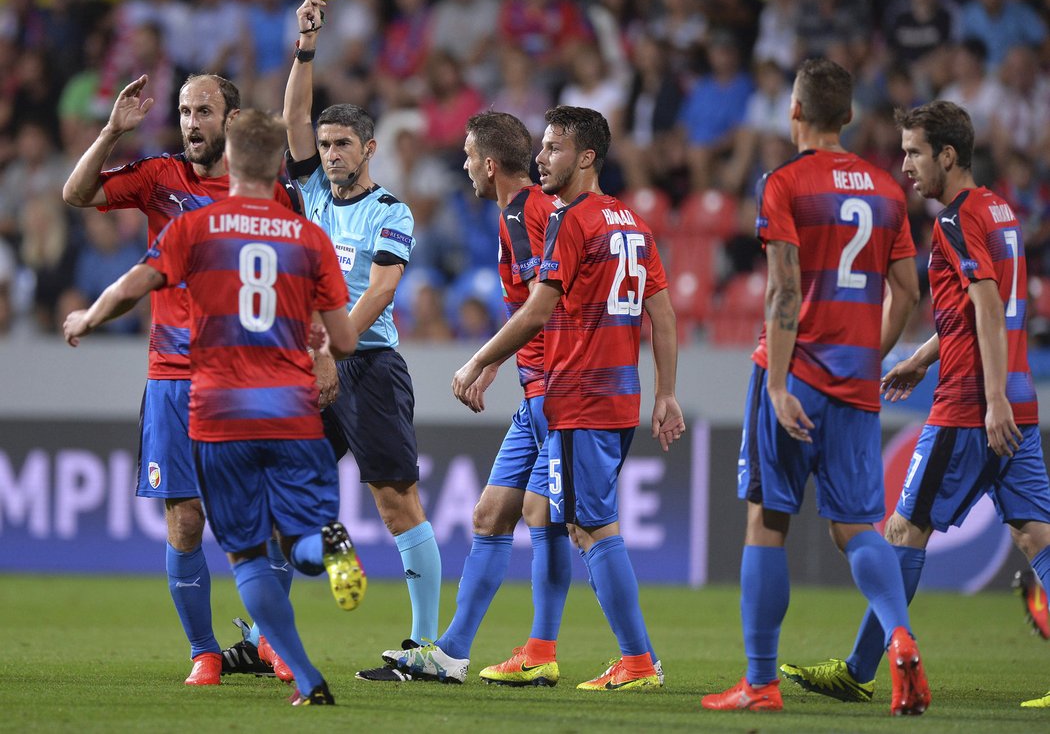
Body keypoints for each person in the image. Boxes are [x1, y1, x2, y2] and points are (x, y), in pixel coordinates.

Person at [61, 109, 366, 707]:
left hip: (219, 407)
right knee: (291, 534)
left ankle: (305, 676)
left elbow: (134, 285)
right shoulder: (308, 237)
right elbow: (345, 340)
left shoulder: (197, 227)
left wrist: (89, 316)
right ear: (278, 164)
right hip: (290, 409)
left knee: (245, 551)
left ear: (231, 159)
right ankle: (324, 551)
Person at [780, 100, 1050, 711]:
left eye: (913, 152)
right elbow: (979, 306)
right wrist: (920, 359)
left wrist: (991, 400)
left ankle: (860, 668)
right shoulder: (1001, 211)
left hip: (971, 407)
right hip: (1017, 400)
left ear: (947, 156)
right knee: (1037, 537)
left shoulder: (956, 222)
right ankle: (858, 666)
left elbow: (985, 304)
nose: (905, 165)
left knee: (902, 530)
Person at [700, 58, 928, 715]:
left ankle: (761, 683)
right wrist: (866, 358)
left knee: (767, 522)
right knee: (858, 525)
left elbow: (785, 288)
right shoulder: (888, 190)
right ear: (849, 117)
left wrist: (776, 383)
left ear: (794, 112)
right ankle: (900, 636)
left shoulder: (785, 183)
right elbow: (908, 292)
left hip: (793, 371)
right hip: (855, 380)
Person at [445, 105, 686, 691]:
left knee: (590, 526)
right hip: (601, 393)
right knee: (537, 512)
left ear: (586, 158)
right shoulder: (630, 221)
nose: (541, 158)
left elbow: (537, 309)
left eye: (553, 148)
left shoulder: (569, 220)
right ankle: (537, 649)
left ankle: (638, 661)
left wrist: (480, 358)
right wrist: (666, 393)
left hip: (580, 392)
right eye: (541, 147)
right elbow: (663, 313)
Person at [383, 111, 572, 685]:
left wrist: (481, 359)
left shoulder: (521, 214)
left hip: (560, 392)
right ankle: (452, 653)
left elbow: (548, 305)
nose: (464, 166)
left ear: (489, 164)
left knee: (554, 521)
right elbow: (536, 308)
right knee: (491, 514)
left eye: (467, 156)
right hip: (535, 389)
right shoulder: (527, 212)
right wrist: (500, 366)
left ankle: (550, 650)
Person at [284, 0, 441, 681]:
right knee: (285, 489)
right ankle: (276, 635)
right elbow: (291, 115)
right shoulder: (312, 194)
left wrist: (328, 340)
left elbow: (381, 291)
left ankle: (423, 646)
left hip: (368, 365)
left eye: (343, 143)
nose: (331, 152)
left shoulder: (392, 210)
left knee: (396, 499)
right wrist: (307, 47)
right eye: (324, 145)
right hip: (316, 363)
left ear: (369, 148)